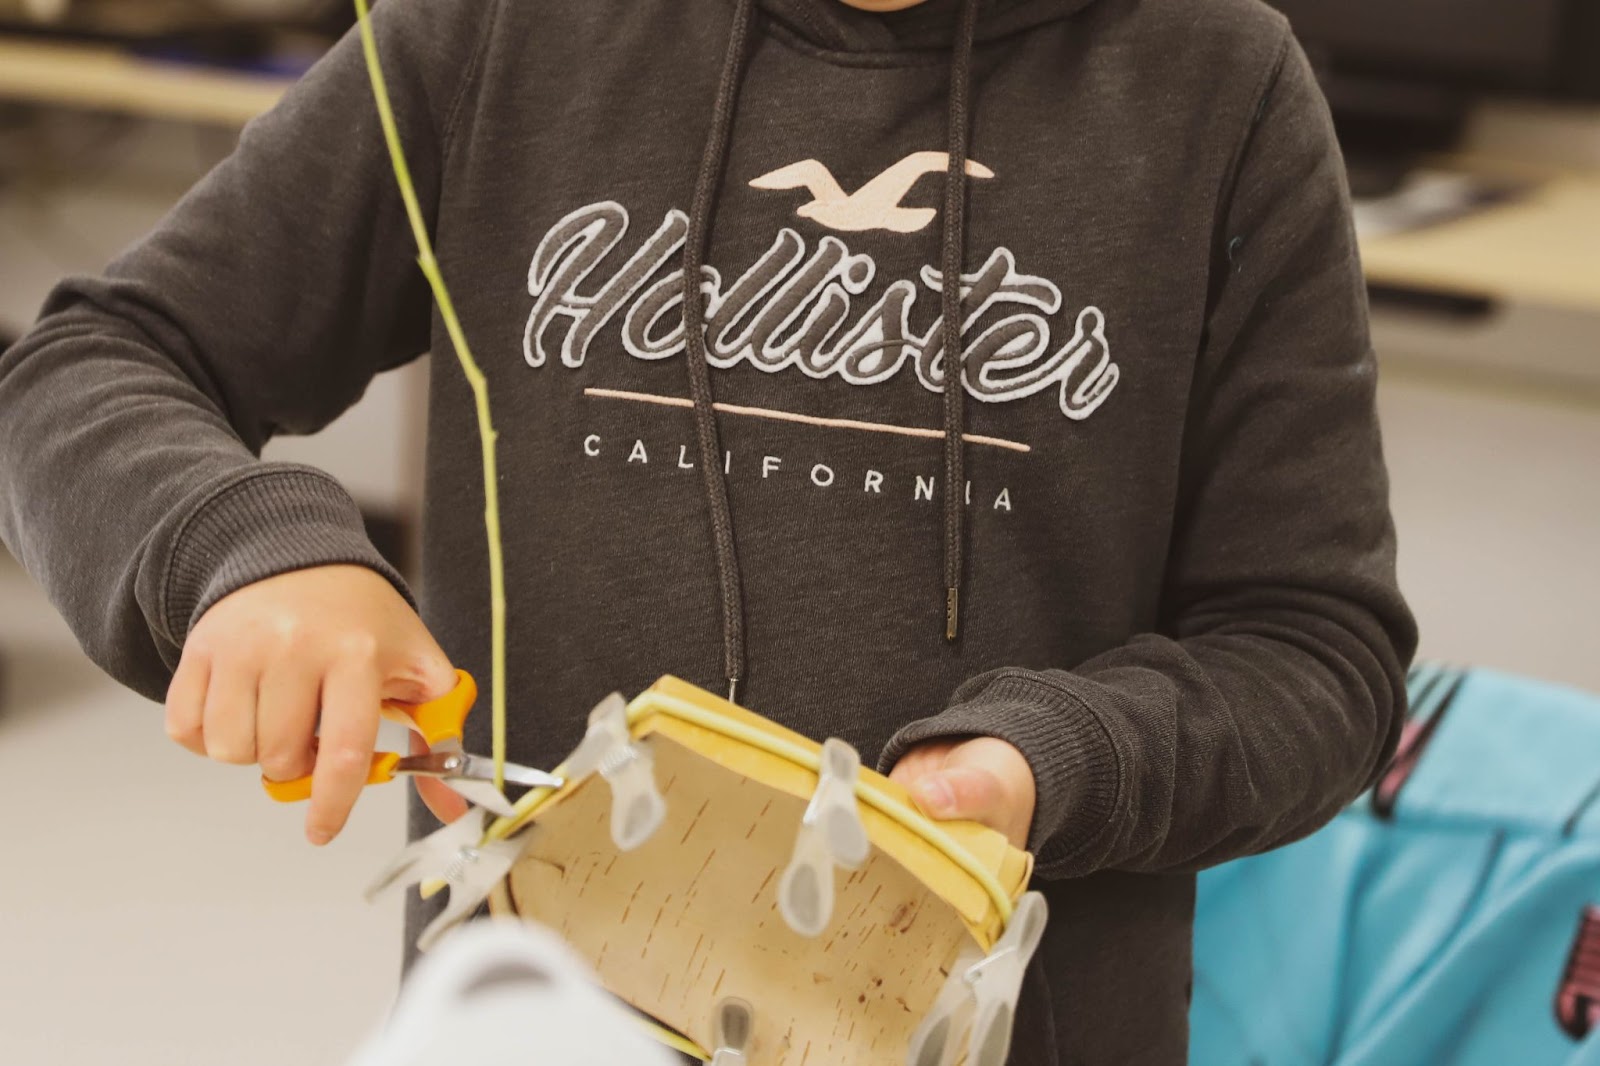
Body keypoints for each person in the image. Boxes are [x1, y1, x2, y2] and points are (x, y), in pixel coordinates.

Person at [0, 0, 1418, 1061]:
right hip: (542, 1024)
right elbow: (95, 363)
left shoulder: (1218, 85)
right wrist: (245, 546)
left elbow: (1317, 656)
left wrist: (1049, 767)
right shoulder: (498, 30)